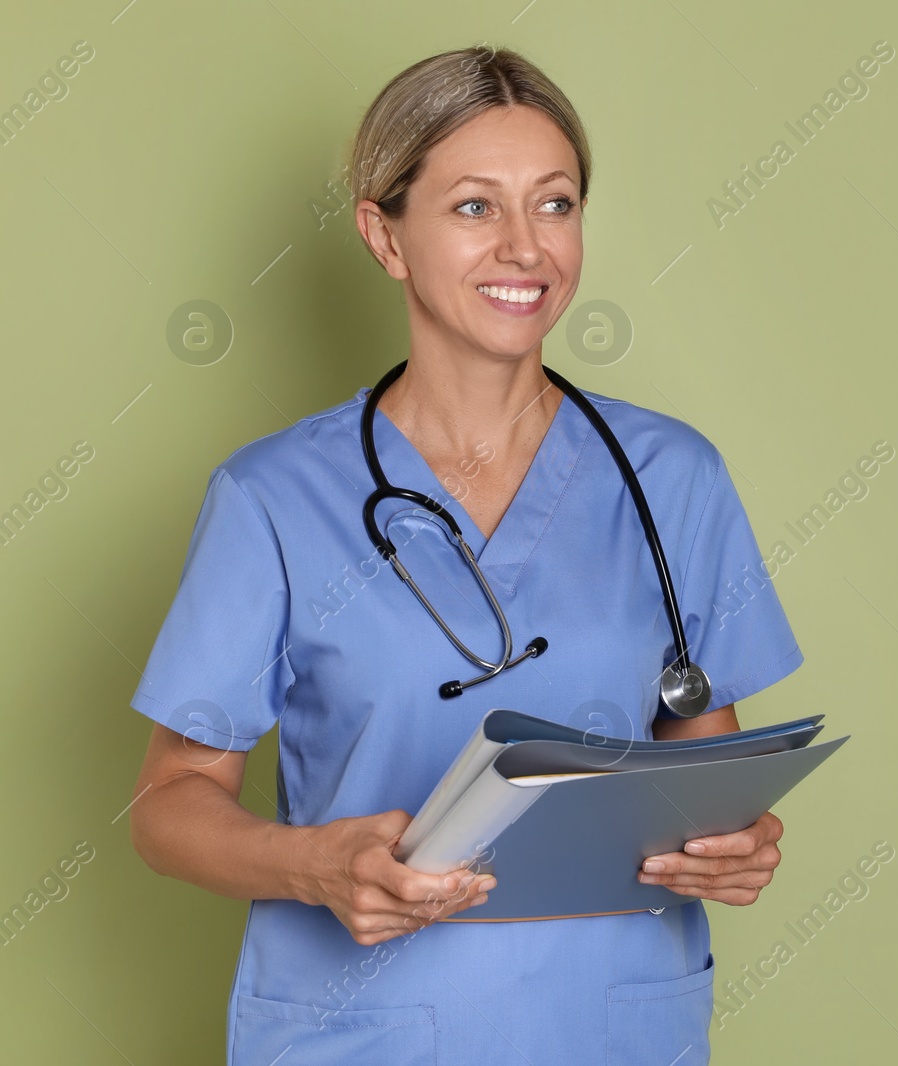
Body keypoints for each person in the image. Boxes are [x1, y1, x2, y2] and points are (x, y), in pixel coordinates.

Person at [127, 44, 803, 1064]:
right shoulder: (273, 496)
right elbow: (168, 808)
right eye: (475, 207)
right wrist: (314, 866)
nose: (526, 248)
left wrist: (734, 844)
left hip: (609, 1022)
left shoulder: (673, 477)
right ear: (385, 235)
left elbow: (703, 769)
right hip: (360, 1029)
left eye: (556, 203)